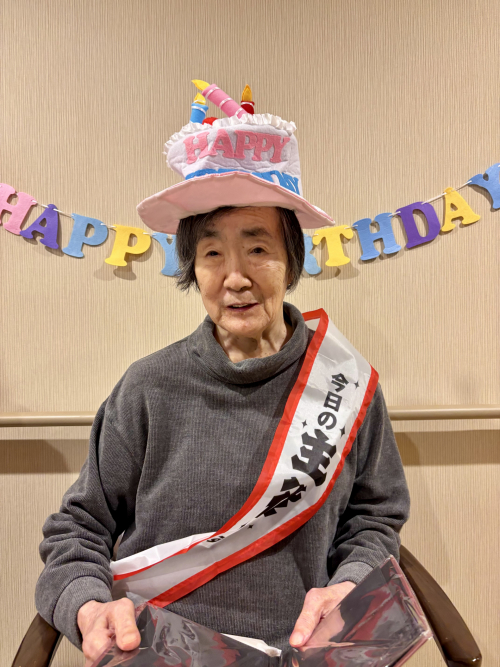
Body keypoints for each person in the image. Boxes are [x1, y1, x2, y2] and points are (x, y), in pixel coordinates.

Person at [35, 82, 410, 665]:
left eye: (258, 249)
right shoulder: (148, 387)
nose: (235, 277)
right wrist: (87, 606)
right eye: (212, 254)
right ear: (193, 267)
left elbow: (373, 519)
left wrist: (352, 583)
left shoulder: (346, 382)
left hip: (298, 652)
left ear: (292, 261)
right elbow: (78, 529)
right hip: (161, 652)